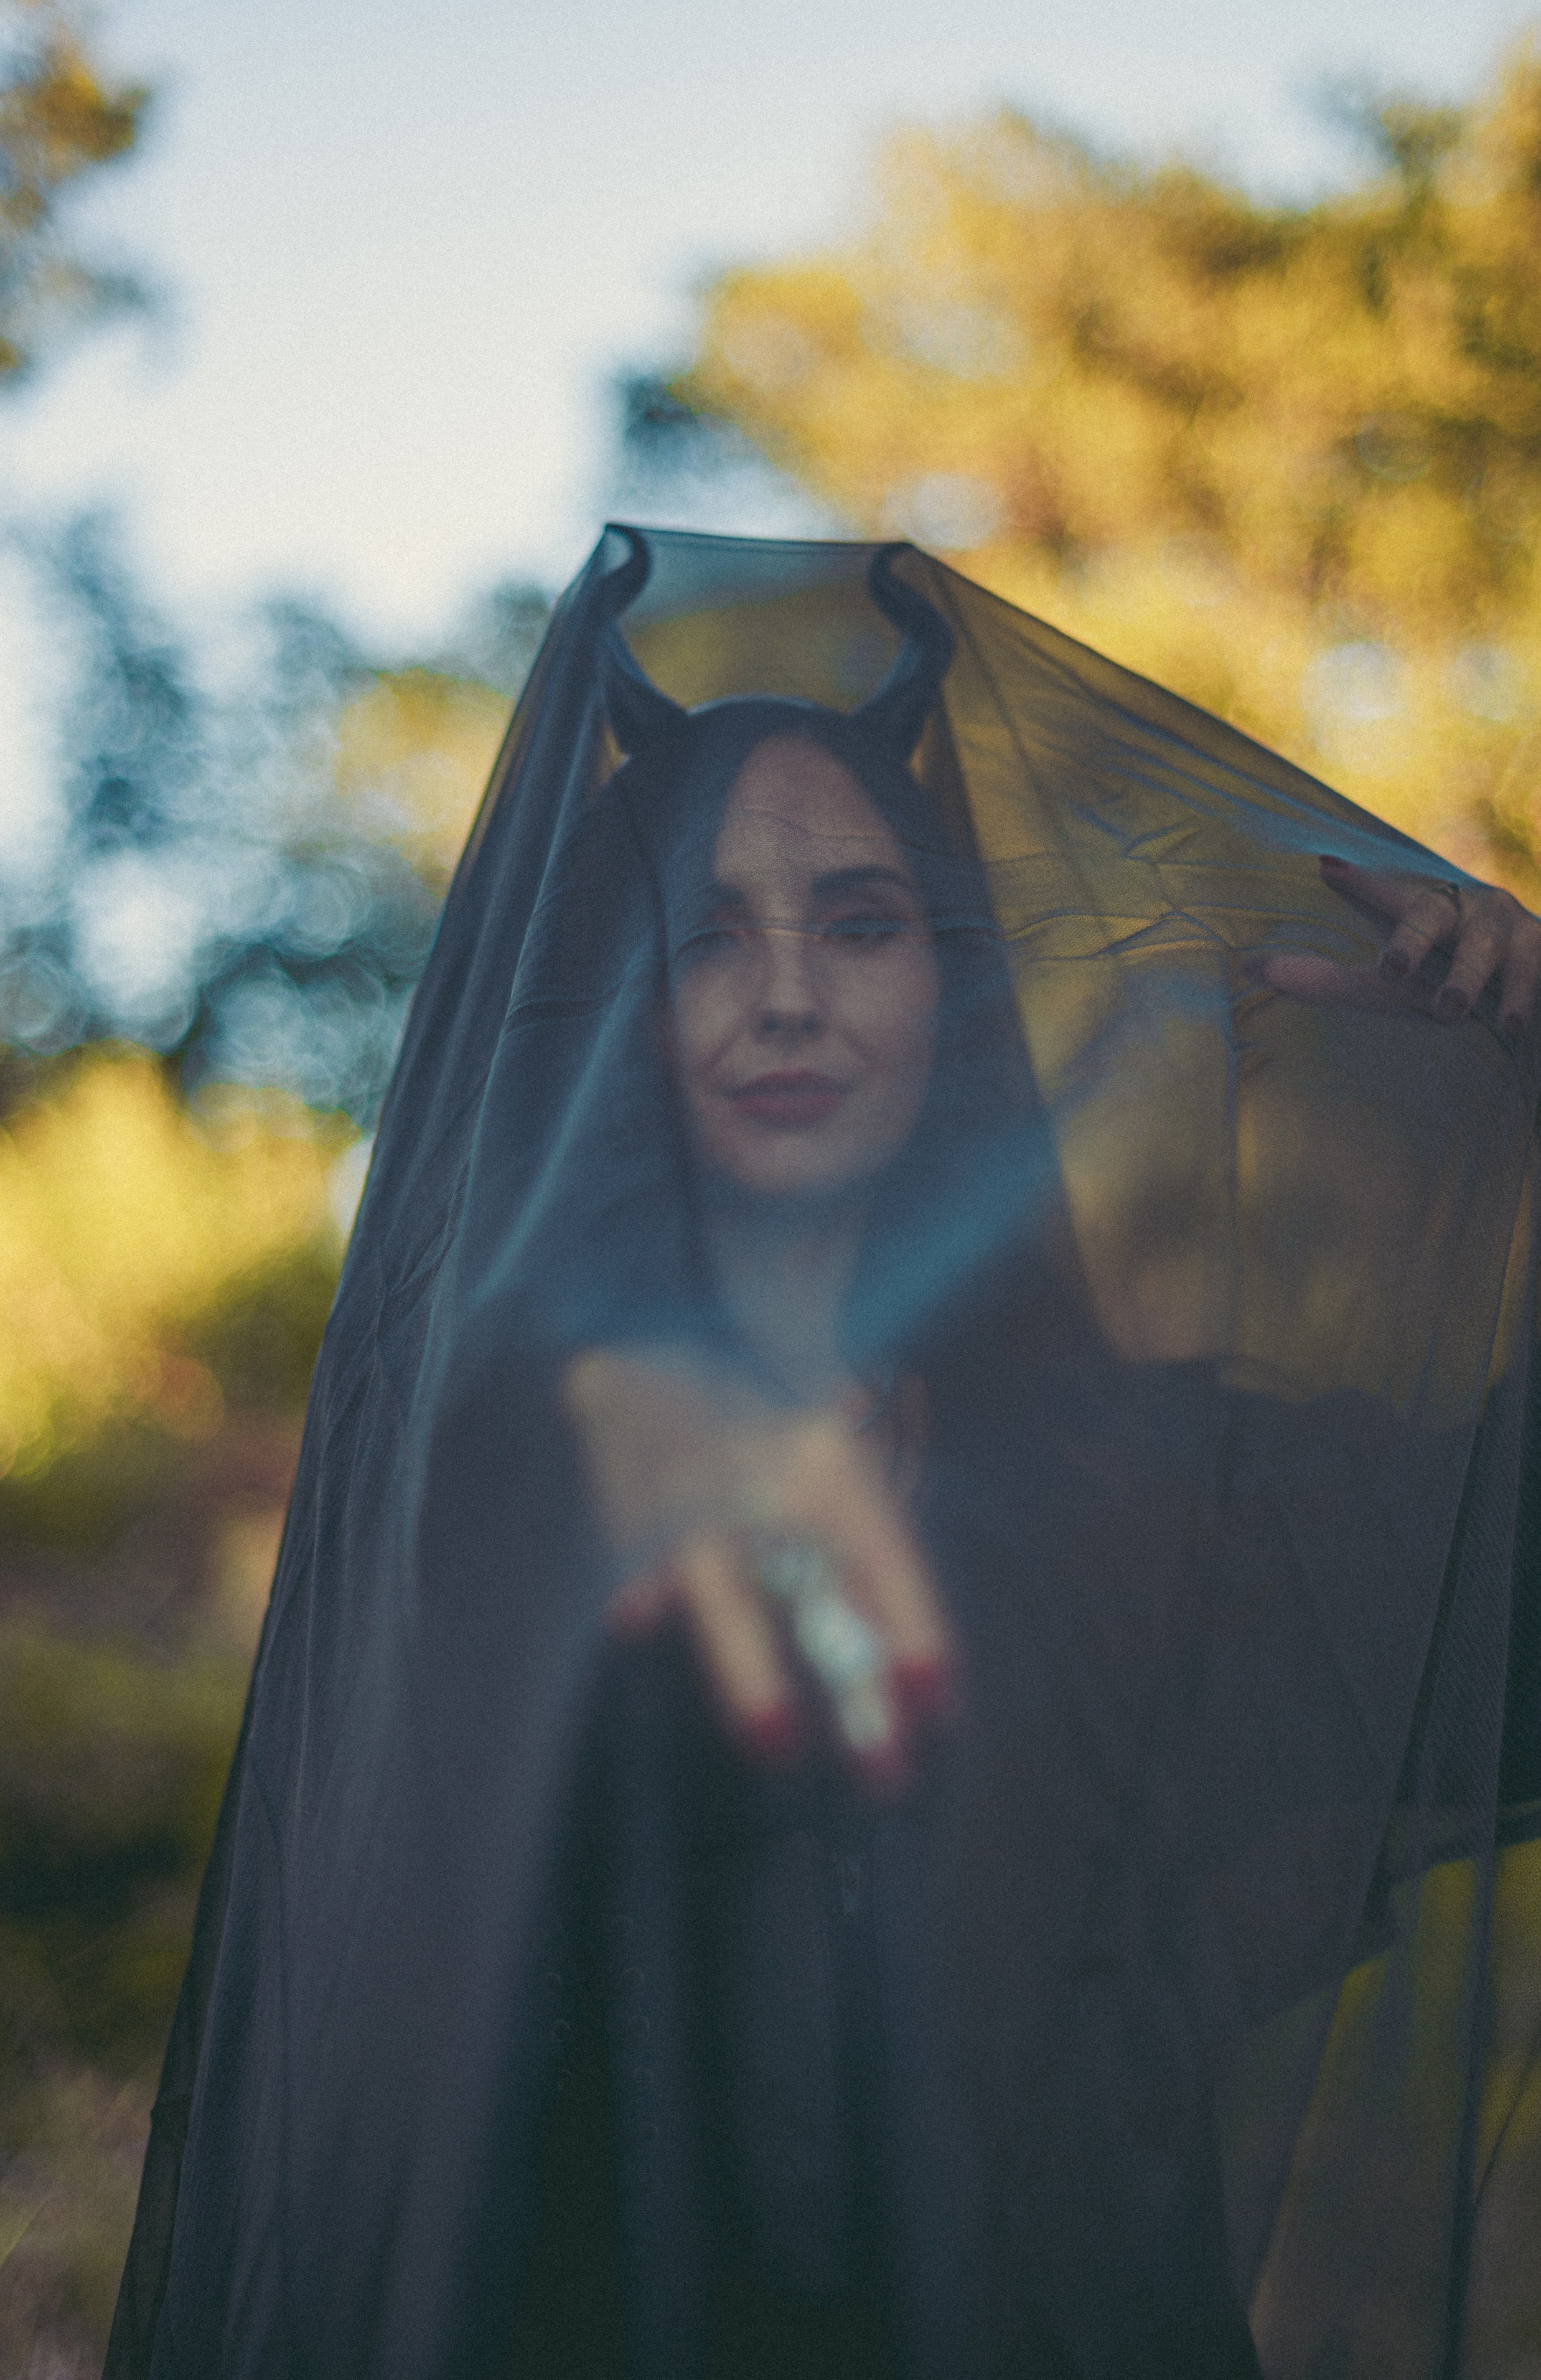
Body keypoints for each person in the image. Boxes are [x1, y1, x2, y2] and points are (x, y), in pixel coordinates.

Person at [106, 528, 1541, 2380]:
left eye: (860, 921)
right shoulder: (486, 1499)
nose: (787, 992)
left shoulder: (1154, 1479)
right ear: (620, 1006)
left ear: (948, 982)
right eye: (709, 933)